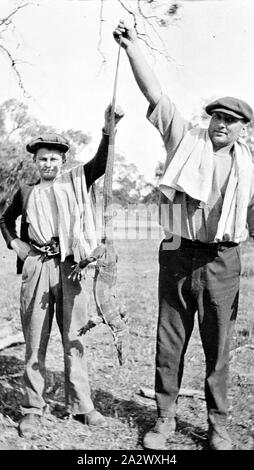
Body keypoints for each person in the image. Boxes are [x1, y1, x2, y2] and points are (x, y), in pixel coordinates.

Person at [113, 20, 254, 450]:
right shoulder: (184, 140)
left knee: (219, 344)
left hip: (223, 259)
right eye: (216, 117)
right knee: (170, 339)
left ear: (243, 129)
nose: (221, 125)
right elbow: (156, 94)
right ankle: (165, 418)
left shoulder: (249, 164)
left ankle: (218, 424)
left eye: (231, 121)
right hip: (177, 250)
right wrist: (134, 47)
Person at [0, 105, 124, 438]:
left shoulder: (77, 180)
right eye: (43, 159)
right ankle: (32, 408)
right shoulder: (27, 191)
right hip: (37, 266)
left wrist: (108, 130)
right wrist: (16, 245)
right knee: (35, 339)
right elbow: (4, 219)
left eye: (54, 159)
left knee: (75, 338)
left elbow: (100, 162)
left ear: (63, 162)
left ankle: (82, 406)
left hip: (72, 266)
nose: (48, 164)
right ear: (35, 162)